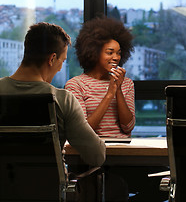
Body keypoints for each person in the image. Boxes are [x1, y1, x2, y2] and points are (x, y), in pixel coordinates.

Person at [0, 22, 105, 167]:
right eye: (62, 61)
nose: (60, 67)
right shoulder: (63, 100)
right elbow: (97, 156)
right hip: (49, 188)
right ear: (52, 59)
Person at [65, 17, 135, 138]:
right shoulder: (75, 85)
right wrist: (109, 94)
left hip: (123, 150)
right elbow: (83, 131)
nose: (116, 57)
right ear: (94, 52)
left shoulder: (126, 83)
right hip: (91, 151)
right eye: (110, 52)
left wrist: (118, 90)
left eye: (118, 53)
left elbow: (128, 127)